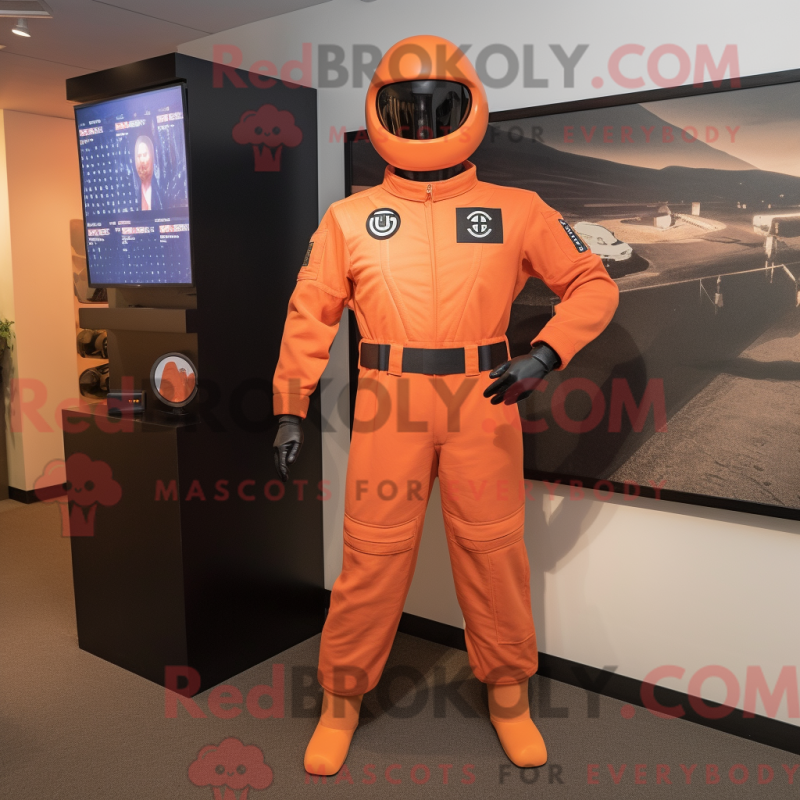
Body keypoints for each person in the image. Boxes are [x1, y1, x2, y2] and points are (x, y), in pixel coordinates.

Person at [272, 35, 619, 775]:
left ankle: (509, 696)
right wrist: (288, 405)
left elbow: (592, 283)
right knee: (370, 555)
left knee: (494, 555)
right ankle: (340, 700)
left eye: (439, 108)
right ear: (380, 112)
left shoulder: (518, 210)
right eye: (406, 109)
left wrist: (546, 353)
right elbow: (309, 314)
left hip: (482, 402)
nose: (423, 123)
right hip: (388, 406)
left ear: (471, 108)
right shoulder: (349, 219)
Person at [133, 134, 161, 211]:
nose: (142, 160)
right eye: (139, 156)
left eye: (145, 155)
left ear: (151, 156)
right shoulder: (134, 192)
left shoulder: (160, 189)